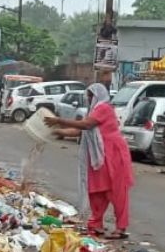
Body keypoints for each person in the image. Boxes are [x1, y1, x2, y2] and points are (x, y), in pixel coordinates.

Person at [44, 83, 134, 239]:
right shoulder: (94, 111)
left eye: (91, 95)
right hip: (99, 155)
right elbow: (80, 130)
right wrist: (58, 131)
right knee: (97, 190)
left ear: (98, 96)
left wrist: (59, 120)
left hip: (113, 154)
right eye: (88, 95)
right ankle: (96, 224)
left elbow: (86, 125)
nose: (88, 98)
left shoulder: (104, 108)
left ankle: (121, 228)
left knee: (116, 191)